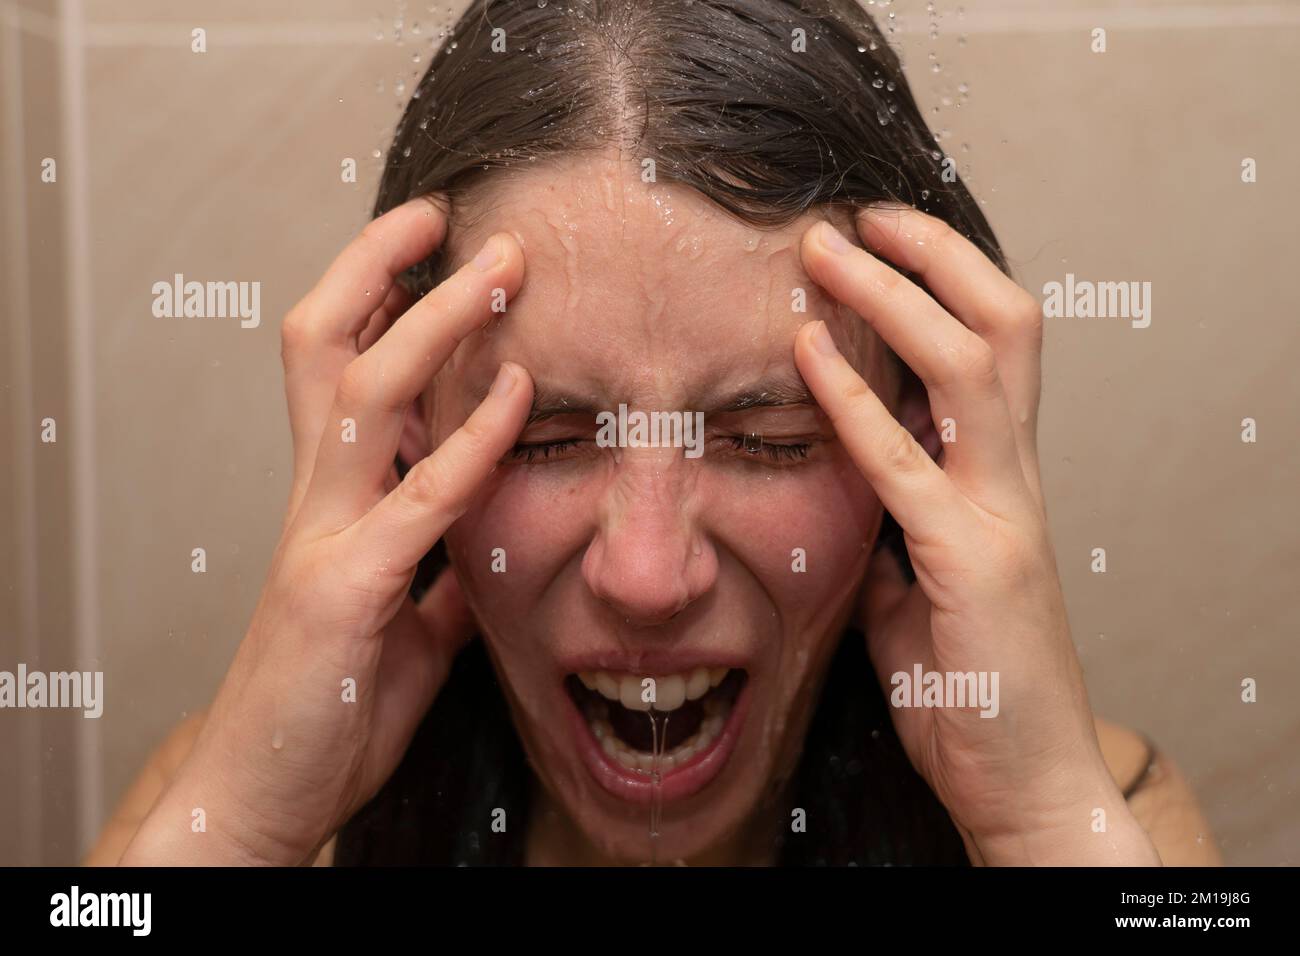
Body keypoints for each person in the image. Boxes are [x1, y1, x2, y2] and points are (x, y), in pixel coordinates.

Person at [89, 0, 1219, 866]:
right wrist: (239, 830)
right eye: (537, 437)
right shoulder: (203, 804)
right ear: (403, 437)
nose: (645, 575)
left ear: (923, 439)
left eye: (771, 434)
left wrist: (1033, 825)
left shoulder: (1113, 817)